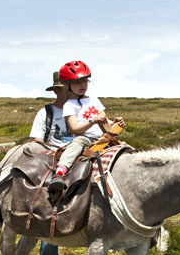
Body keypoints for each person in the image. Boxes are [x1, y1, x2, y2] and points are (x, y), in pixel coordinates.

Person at [28, 71, 117, 255]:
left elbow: (101, 126)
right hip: (57, 157)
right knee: (54, 208)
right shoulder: (47, 112)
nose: (66, 93)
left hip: (87, 153)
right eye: (61, 89)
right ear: (61, 89)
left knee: (98, 206)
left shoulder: (87, 105)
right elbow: (37, 139)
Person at [47, 60, 124, 193]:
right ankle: (59, 173)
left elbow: (105, 122)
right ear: (66, 85)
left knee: (125, 149)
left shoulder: (94, 100)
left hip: (103, 138)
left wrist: (115, 123)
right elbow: (74, 128)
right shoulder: (69, 105)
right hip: (85, 139)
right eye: (77, 82)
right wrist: (92, 121)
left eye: (85, 81)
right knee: (76, 144)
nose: (82, 85)